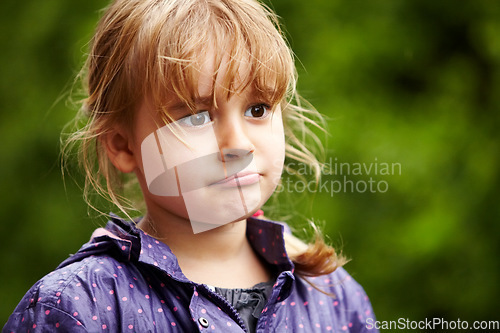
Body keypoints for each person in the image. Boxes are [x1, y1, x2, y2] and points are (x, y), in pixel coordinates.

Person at [3, 0, 378, 332]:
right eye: (196, 117)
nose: (239, 145)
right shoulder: (78, 309)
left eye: (258, 110)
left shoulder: (333, 296)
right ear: (123, 146)